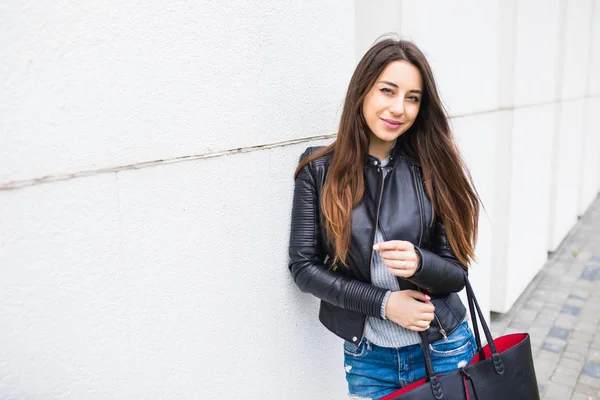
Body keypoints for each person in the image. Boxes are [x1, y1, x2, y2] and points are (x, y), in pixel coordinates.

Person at [287, 38, 481, 399]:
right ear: (363, 91)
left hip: (443, 348)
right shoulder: (318, 170)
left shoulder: (434, 169)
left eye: (413, 97)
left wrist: (420, 263)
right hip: (368, 360)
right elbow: (303, 267)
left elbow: (456, 274)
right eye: (388, 91)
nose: (399, 108)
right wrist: (384, 304)